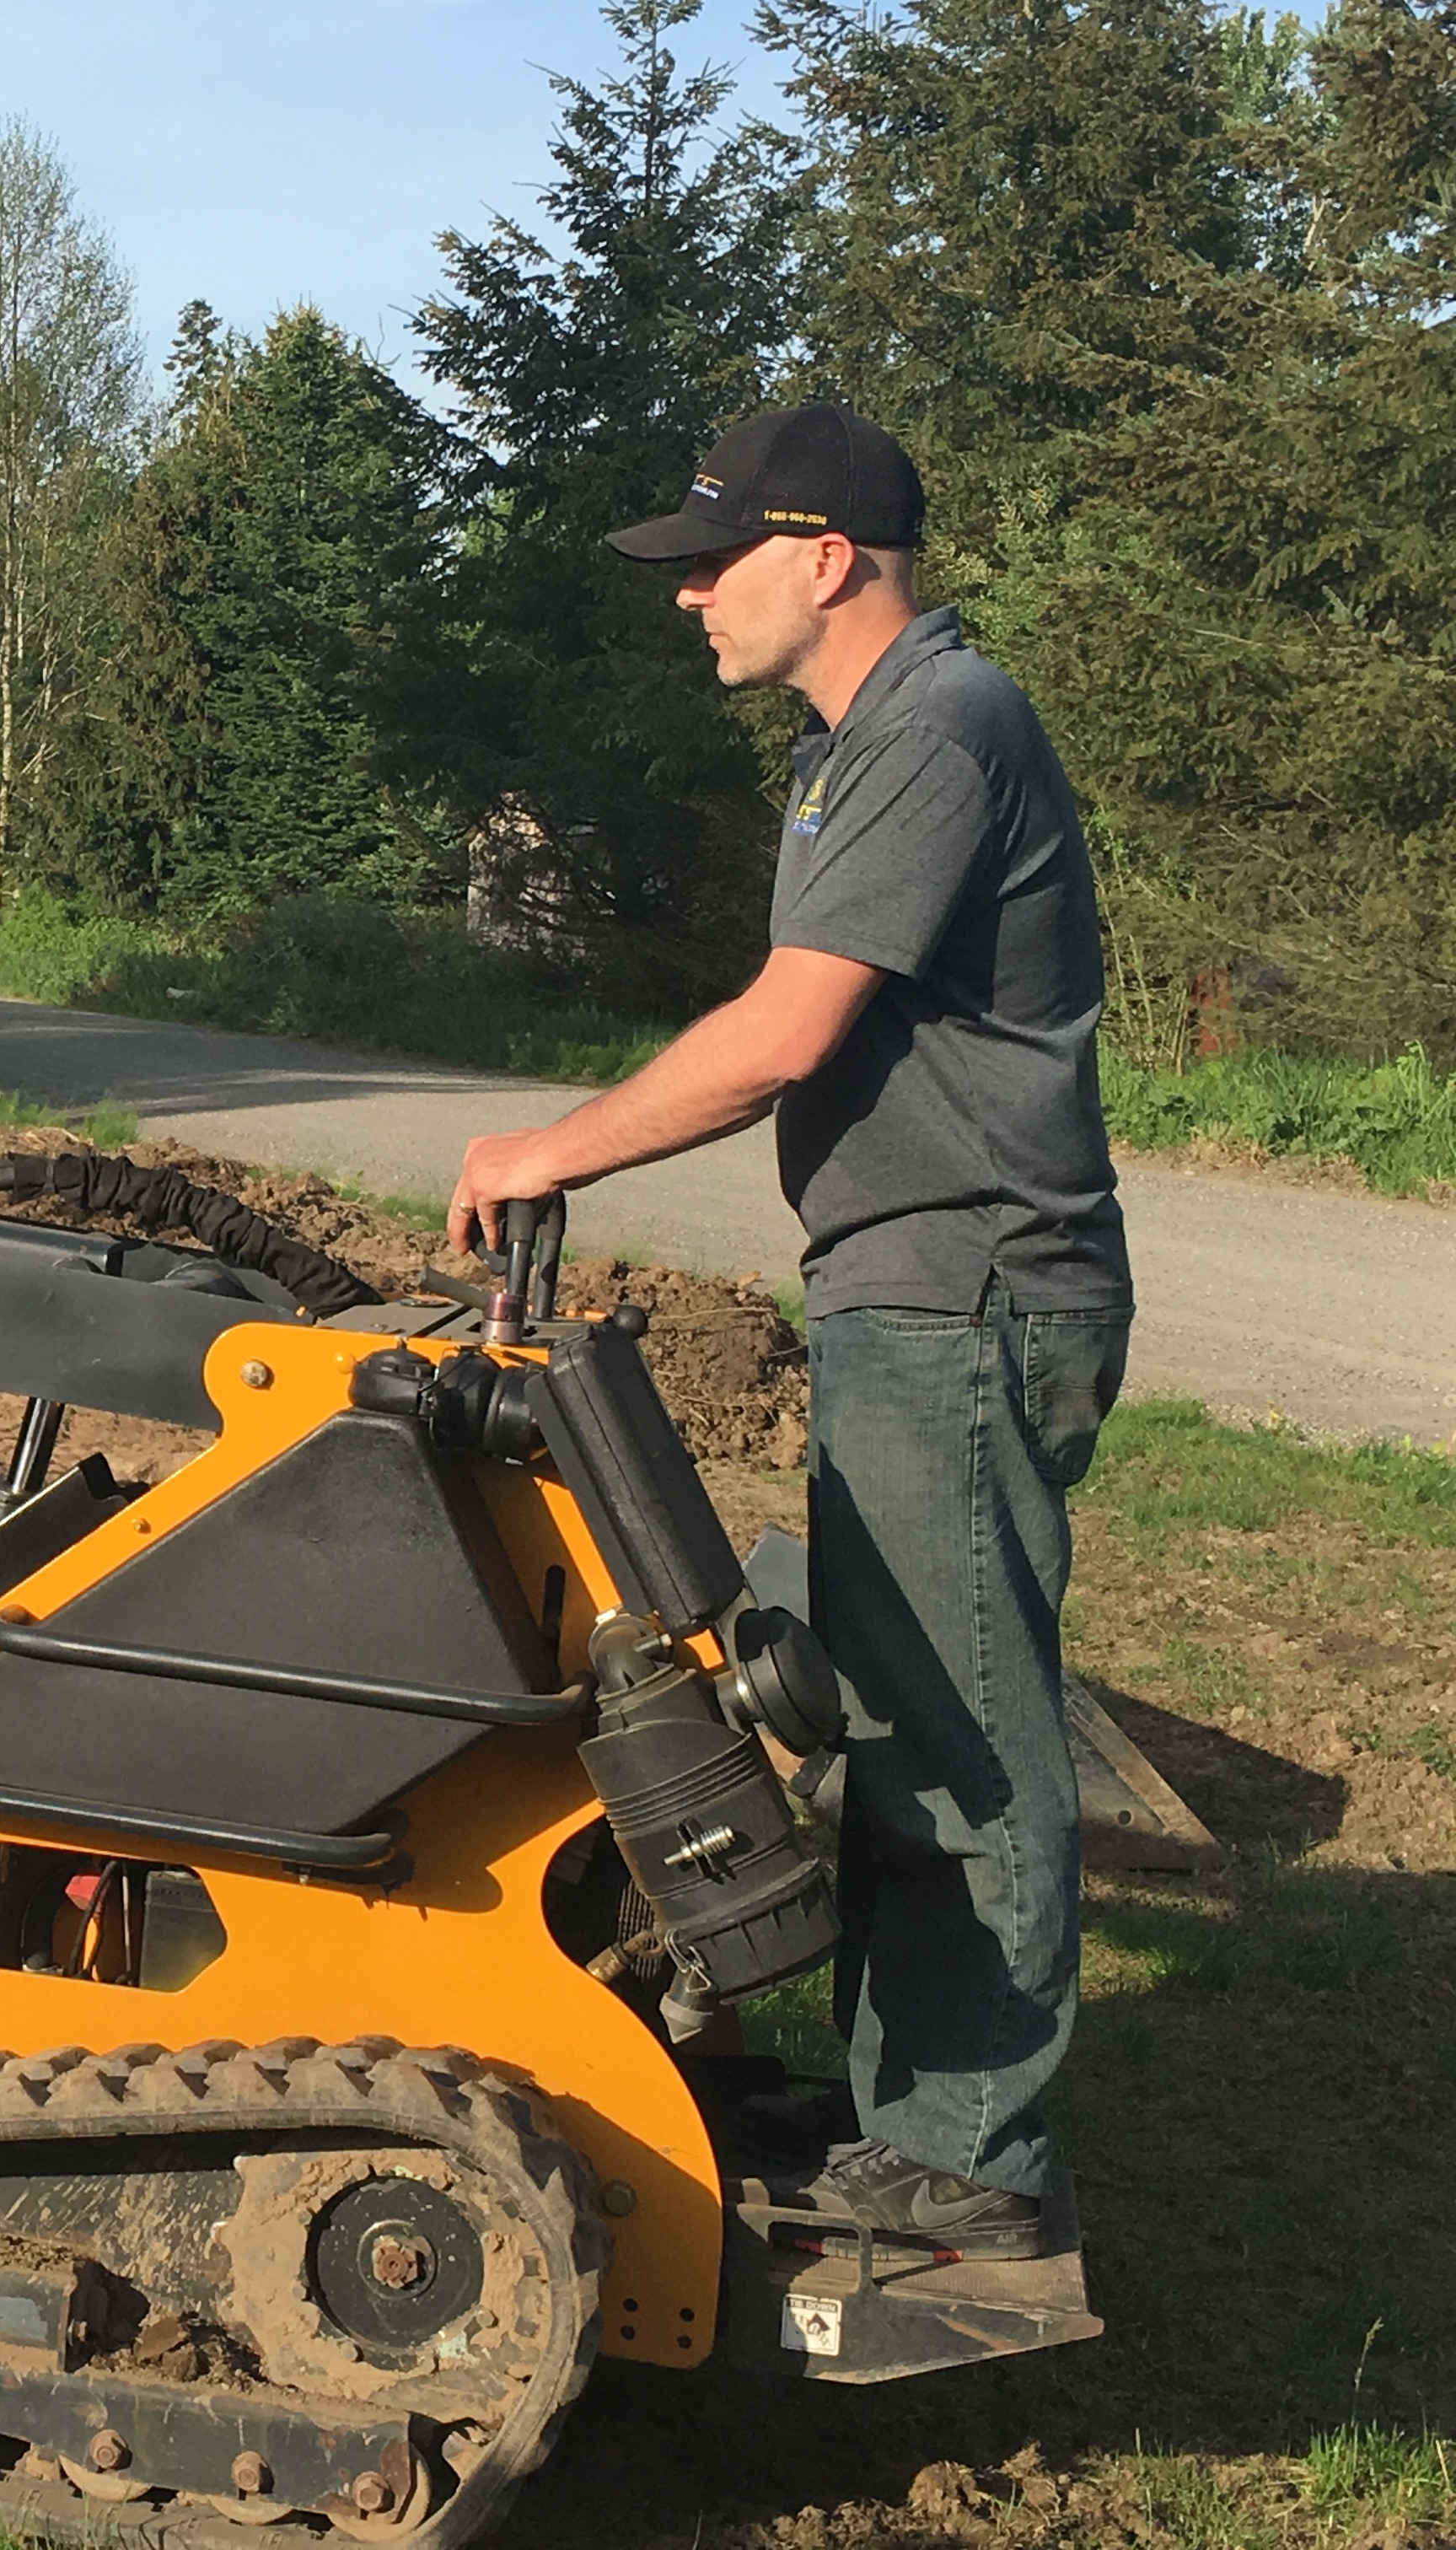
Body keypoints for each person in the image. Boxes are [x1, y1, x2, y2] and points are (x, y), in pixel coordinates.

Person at [445, 401, 1133, 2261]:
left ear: (826, 557)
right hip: (909, 1284)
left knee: (958, 1729)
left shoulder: (937, 728)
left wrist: (545, 1145)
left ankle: (971, 2163)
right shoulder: (865, 743)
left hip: (965, 1289)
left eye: (714, 561)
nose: (689, 599)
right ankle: (917, 2107)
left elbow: (781, 1033)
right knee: (898, 1708)